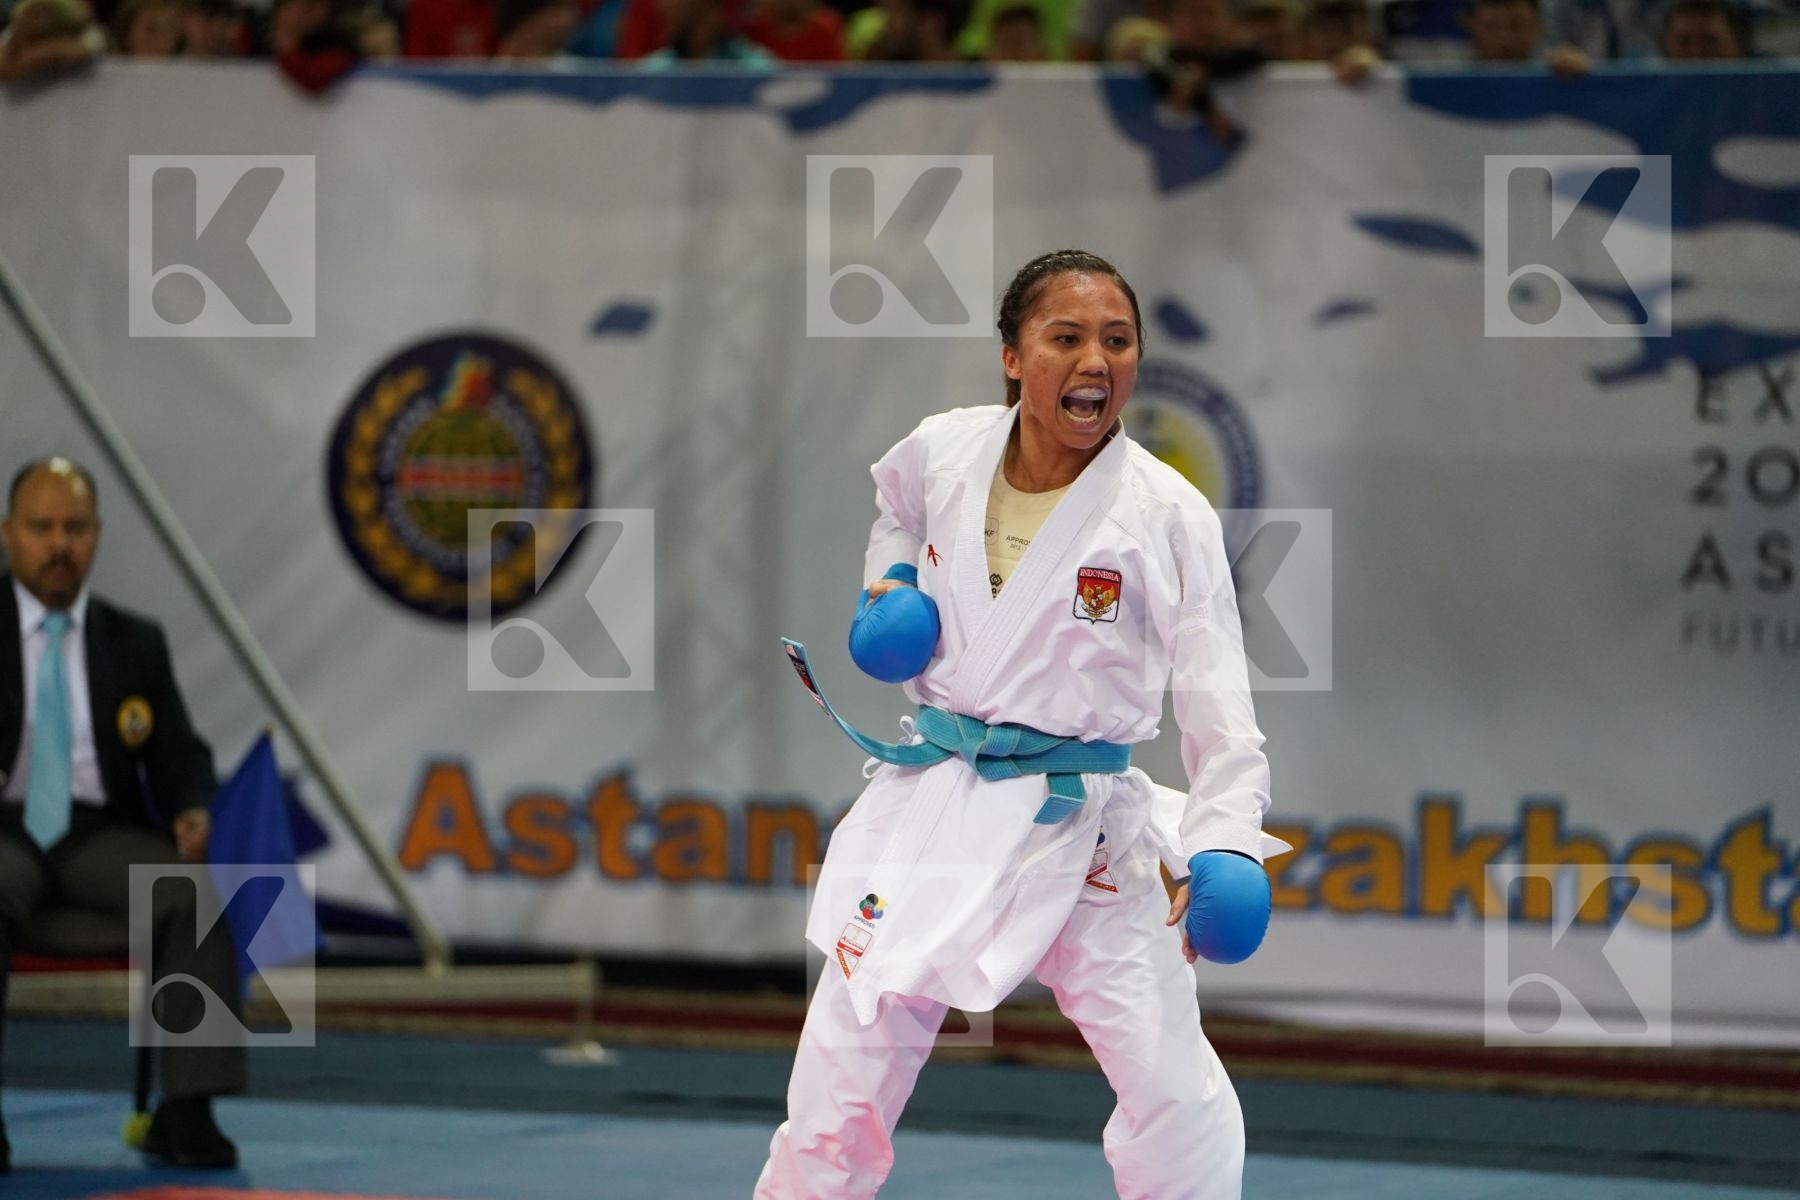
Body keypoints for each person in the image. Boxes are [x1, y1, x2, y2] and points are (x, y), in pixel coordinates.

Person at [755, 250, 1283, 1200]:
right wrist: (891, 584)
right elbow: (894, 507)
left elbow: (1218, 700)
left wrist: (1229, 845)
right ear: (1013, 356)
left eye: (1117, 341)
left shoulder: (1167, 512)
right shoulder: (944, 451)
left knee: (1176, 1091)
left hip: (1086, 827)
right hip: (940, 807)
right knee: (841, 1077)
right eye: (1067, 337)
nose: (1096, 360)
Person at [0, 457, 241, 1172]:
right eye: (41, 528)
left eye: (74, 528)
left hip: (94, 834)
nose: (59, 544)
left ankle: (189, 1111)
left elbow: (178, 753)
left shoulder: (133, 640)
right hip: (4, 830)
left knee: (191, 896)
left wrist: (193, 807)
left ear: (98, 536)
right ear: (8, 534)